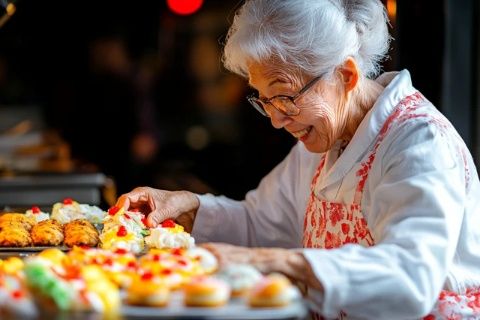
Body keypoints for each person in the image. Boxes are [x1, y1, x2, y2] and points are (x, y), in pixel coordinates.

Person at [117, 0, 480, 318]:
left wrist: (280, 262)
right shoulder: (324, 142)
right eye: (263, 100)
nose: (276, 120)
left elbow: (411, 276)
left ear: (345, 74)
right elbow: (261, 223)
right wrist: (189, 208)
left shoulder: (418, 142)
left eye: (285, 96)